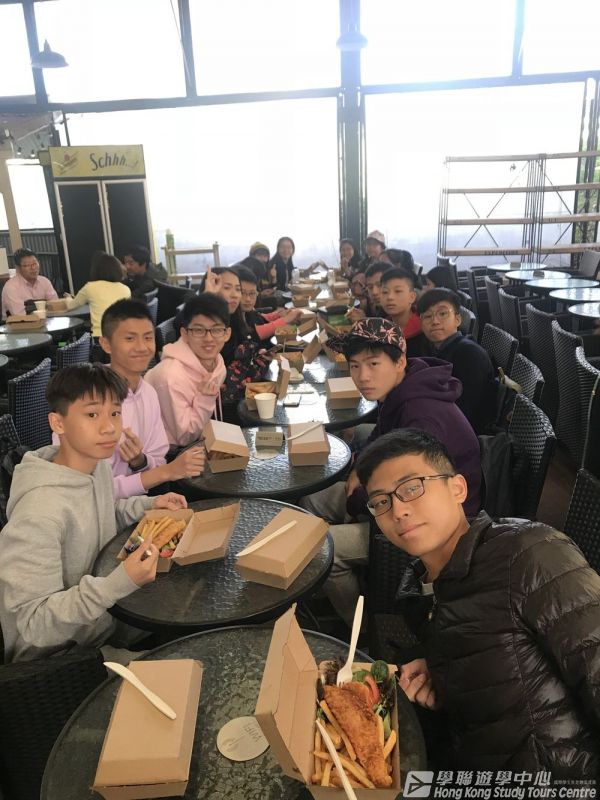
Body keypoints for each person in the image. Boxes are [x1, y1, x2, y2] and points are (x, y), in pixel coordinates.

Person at [356, 428, 600, 777]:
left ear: (458, 488)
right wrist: (442, 675)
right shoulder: (419, 590)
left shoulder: (527, 554)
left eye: (411, 488)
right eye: (381, 501)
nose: (397, 510)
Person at [0, 363, 187, 663]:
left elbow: (102, 513)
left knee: (190, 601)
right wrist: (117, 584)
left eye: (115, 413)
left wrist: (149, 505)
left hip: (103, 618)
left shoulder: (94, 465)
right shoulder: (39, 512)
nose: (109, 427)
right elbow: (34, 625)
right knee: (183, 659)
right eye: (92, 415)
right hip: (62, 658)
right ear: (58, 423)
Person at [300, 318, 482, 626]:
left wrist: (356, 500)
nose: (362, 376)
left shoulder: (420, 416)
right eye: (355, 366)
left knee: (323, 550)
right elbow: (380, 437)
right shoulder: (403, 391)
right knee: (311, 500)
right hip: (395, 493)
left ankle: (362, 628)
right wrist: (360, 467)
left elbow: (404, 498)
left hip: (436, 524)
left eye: (373, 363)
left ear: (400, 362)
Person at [99, 299, 205, 497]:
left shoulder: (147, 391)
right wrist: (167, 471)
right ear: (106, 344)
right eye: (130, 339)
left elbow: (158, 458)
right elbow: (92, 490)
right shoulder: (89, 399)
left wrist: (140, 461)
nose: (142, 347)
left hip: (143, 499)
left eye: (148, 338)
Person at [145, 293, 229, 448]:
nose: (209, 339)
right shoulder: (170, 377)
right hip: (168, 452)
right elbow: (184, 438)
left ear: (227, 334)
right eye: (198, 330)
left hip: (204, 438)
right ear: (184, 334)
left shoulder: (217, 363)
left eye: (216, 330)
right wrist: (205, 398)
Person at [417, 288, 497, 434]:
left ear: (457, 319)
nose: (435, 321)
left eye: (442, 314)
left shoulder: (469, 354)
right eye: (428, 316)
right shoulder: (433, 349)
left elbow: (467, 411)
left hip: (467, 434)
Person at [201, 266, 272, 406]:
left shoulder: (234, 316)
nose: (235, 295)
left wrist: (259, 355)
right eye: (227, 288)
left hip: (242, 390)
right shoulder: (203, 323)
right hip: (221, 403)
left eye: (238, 289)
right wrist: (207, 298)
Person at [66, 251, 130, 337]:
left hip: (100, 337)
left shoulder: (90, 287)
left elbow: (71, 306)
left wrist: (68, 298)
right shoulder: (126, 289)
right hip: (123, 335)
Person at [237, 266, 302, 340]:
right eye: (242, 293)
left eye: (252, 293)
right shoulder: (232, 318)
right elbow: (254, 334)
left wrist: (279, 315)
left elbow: (259, 318)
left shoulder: (247, 312)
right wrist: (286, 319)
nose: (248, 299)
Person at [379, 267, 428, 357]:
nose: (390, 297)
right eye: (385, 292)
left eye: (398, 291)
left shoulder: (425, 329)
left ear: (412, 297)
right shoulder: (381, 327)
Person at [2, 247, 59, 317]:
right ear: (18, 268)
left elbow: (56, 306)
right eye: (27, 265)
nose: (33, 268)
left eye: (35, 263)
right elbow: (20, 316)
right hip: (20, 323)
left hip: (46, 321)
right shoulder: (11, 287)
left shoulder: (45, 282)